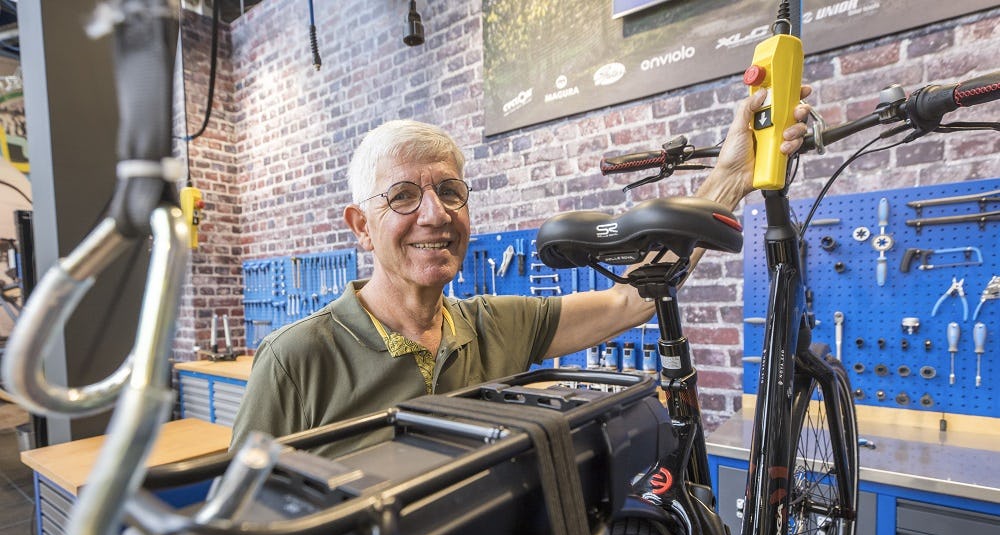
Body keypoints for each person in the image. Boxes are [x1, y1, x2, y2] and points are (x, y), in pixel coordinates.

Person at [229, 88, 812, 456]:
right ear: (361, 224)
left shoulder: (492, 326)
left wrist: (734, 176)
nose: (435, 215)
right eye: (403, 196)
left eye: (450, 191)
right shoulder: (296, 361)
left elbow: (632, 299)